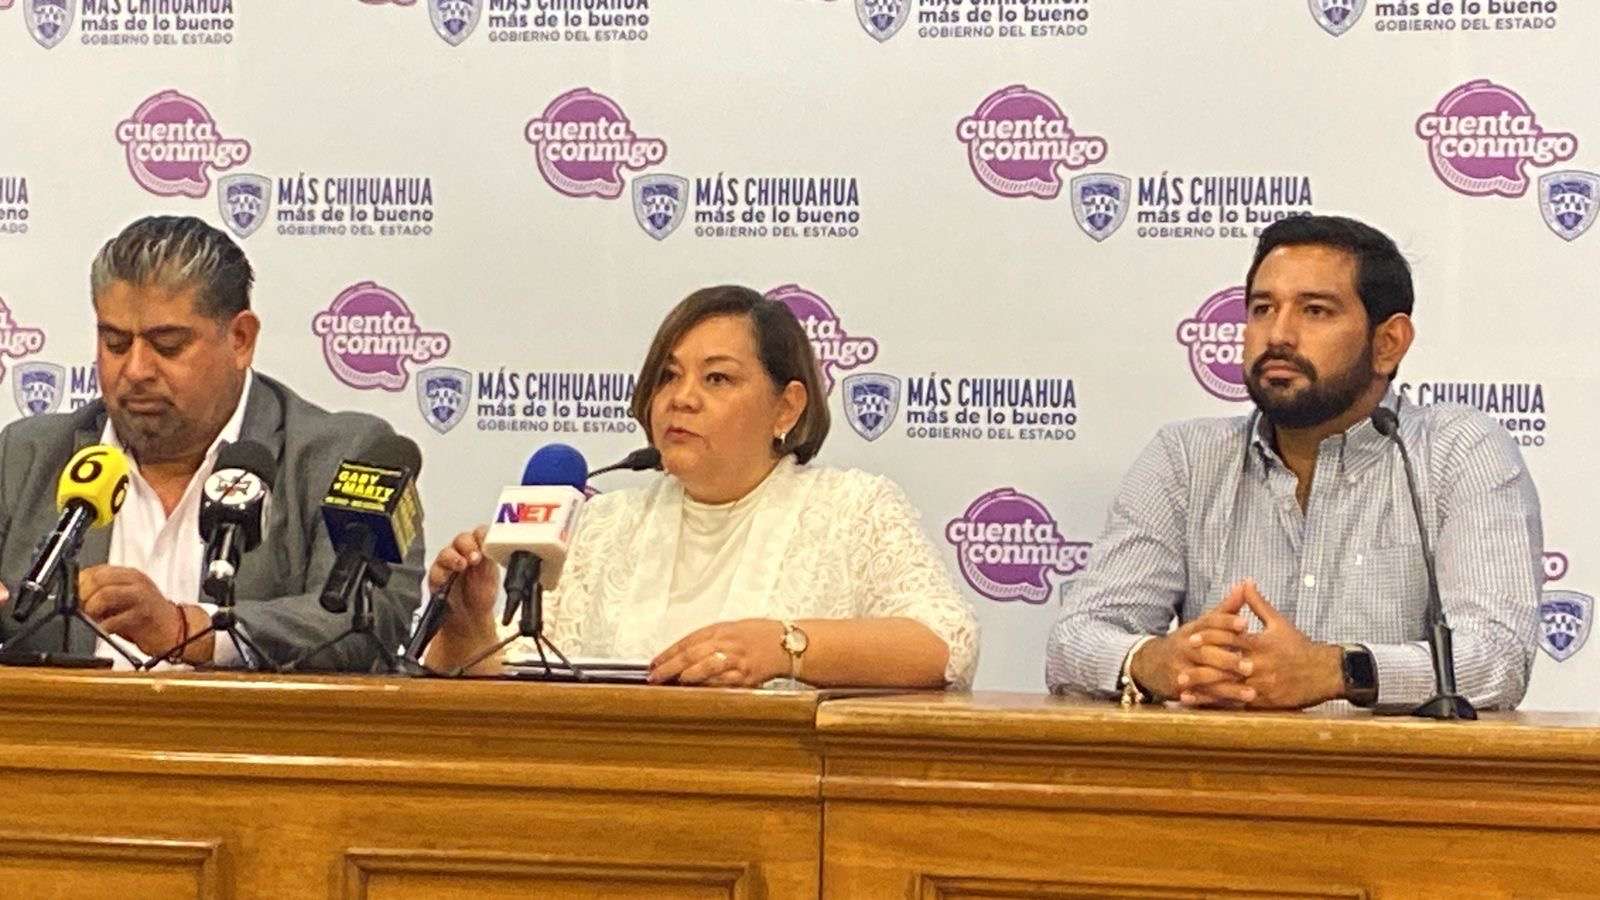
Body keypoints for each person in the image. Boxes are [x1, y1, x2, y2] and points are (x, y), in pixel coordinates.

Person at [1046, 215, 1542, 710]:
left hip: (1386, 764)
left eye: (1315, 311)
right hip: (1222, 761)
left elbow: (1498, 655)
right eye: (1263, 309)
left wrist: (1337, 670)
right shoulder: (1186, 459)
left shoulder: (1456, 452)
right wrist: (1152, 662)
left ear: (1388, 343)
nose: (1278, 335)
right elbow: (1075, 639)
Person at [425, 285, 978, 688]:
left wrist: (784, 646)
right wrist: (469, 631)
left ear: (786, 407)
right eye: (669, 376)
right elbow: (515, 690)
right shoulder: (599, 526)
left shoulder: (854, 508)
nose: (681, 398)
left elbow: (944, 645)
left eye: (717, 378)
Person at [0, 215, 424, 670]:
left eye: (167, 345)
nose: (136, 370)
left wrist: (190, 630)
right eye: (115, 343)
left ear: (240, 340)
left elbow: (368, 620)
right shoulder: (26, 455)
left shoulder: (348, 455)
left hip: (249, 719)